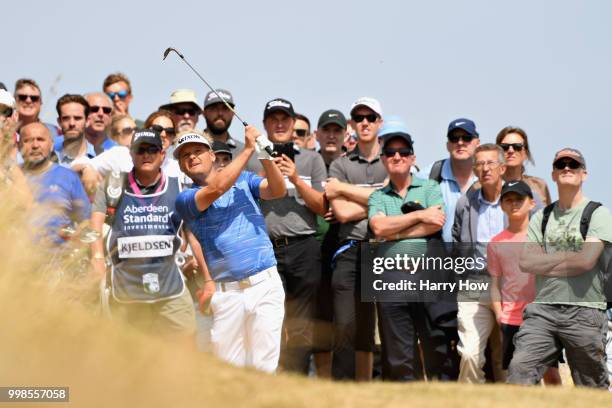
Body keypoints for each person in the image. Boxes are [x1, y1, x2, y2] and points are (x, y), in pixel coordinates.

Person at [174, 128, 287, 373]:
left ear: (213, 156)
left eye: (198, 151)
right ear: (182, 167)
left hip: (264, 283)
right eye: (185, 156)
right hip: (227, 295)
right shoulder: (185, 199)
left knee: (264, 367)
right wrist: (248, 150)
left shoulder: (245, 179)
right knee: (229, 372)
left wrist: (265, 156)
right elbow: (216, 189)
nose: (192, 157)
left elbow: (278, 190)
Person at [508, 148, 612, 388]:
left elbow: (586, 261)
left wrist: (547, 261)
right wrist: (571, 257)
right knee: (519, 372)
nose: (567, 168)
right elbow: (526, 262)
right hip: (542, 311)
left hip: (585, 312)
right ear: (553, 174)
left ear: (583, 174)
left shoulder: (598, 214)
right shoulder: (541, 217)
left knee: (591, 389)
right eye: (561, 165)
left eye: (573, 165)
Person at [89, 129, 196, 344]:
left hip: (170, 286)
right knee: (129, 352)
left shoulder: (178, 186)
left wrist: (205, 272)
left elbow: (192, 233)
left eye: (152, 150)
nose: (146, 155)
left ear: (162, 155)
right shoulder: (113, 184)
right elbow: (95, 226)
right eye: (140, 150)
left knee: (186, 345)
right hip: (126, 286)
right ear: (131, 154)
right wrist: (97, 258)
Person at [369, 117, 455, 381]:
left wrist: (393, 232)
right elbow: (378, 228)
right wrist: (419, 216)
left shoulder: (429, 187)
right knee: (399, 357)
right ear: (383, 158)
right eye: (391, 152)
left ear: (412, 156)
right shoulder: (377, 196)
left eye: (403, 152)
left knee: (437, 350)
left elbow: (436, 223)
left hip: (428, 279)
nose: (397, 156)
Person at [258, 98, 327, 373]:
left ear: (292, 122)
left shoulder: (312, 159)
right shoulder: (253, 159)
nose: (278, 123)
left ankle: (295, 383)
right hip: (265, 249)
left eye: (284, 118)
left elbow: (322, 206)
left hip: (303, 249)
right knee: (269, 321)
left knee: (300, 324)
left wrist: (297, 179)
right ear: (265, 124)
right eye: (273, 119)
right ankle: (268, 380)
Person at [325, 97, 387, 380]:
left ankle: (372, 391)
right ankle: (343, 393)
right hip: (349, 251)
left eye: (370, 118)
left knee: (381, 327)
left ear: (379, 123)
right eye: (359, 118)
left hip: (384, 251)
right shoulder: (339, 165)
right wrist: (381, 200)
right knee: (346, 325)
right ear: (351, 124)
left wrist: (348, 192)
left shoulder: (393, 159)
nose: (364, 123)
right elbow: (341, 212)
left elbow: (395, 202)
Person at [487, 180, 561, 384]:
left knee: (551, 374)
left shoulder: (544, 237)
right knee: (517, 377)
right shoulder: (495, 243)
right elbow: (494, 284)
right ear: (501, 206)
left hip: (542, 317)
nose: (514, 204)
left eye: (519, 199)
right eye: (508, 200)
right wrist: (499, 313)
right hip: (511, 318)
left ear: (532, 203)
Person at [452, 143, 507, 384]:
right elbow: (456, 243)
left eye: (490, 163)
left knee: (508, 357)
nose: (485, 169)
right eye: (480, 164)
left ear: (502, 168)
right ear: (474, 169)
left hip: (510, 287)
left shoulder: (519, 199)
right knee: (470, 355)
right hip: (474, 285)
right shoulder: (466, 203)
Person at [312, 109, 348, 377]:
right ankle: (324, 384)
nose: (332, 135)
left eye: (337, 130)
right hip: (314, 250)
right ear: (318, 134)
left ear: (346, 135)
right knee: (322, 322)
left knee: (347, 322)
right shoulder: (307, 162)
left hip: (346, 248)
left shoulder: (352, 166)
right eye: (327, 130)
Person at [19, 122, 90, 245]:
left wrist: (72, 236)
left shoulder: (68, 177)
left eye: (40, 139)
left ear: (51, 145)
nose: (35, 145)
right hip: (18, 259)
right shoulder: (11, 178)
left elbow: (86, 222)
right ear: (19, 146)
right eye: (28, 141)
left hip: (60, 259)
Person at [418, 118, 480, 243]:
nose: (460, 142)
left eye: (466, 137)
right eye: (454, 138)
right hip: (438, 259)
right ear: (447, 145)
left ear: (477, 143)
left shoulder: (487, 177)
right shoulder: (430, 175)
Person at [202, 89, 260, 173]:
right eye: (214, 108)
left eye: (225, 108)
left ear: (233, 114)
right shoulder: (191, 148)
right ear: (204, 113)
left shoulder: (247, 151)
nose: (220, 113)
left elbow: (260, 182)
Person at [496, 126, 551, 207]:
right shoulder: (483, 187)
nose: (511, 150)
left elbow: (547, 217)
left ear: (525, 153)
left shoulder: (539, 186)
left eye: (517, 146)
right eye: (505, 147)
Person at [54, 94, 96, 167]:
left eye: (77, 118)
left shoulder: (101, 156)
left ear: (87, 121)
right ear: (59, 122)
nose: (72, 123)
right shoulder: (49, 158)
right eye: (66, 118)